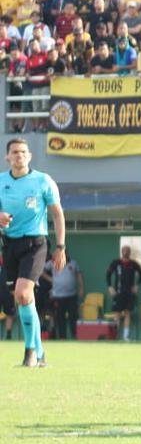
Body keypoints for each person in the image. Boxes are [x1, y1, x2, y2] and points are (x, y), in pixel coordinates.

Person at [0, 138, 66, 366]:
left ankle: (29, 353)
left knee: (23, 294)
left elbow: (57, 214)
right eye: (14, 152)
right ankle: (40, 353)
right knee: (24, 300)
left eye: (23, 152)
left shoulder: (43, 181)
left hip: (36, 244)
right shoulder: (1, 182)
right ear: (7, 156)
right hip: (9, 245)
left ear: (29, 156)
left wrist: (60, 246)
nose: (19, 155)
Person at [106, 243, 141, 342]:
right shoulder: (116, 263)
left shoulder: (133, 264)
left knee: (127, 313)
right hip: (118, 292)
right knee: (117, 314)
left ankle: (126, 336)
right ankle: (115, 336)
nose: (126, 252)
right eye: (124, 250)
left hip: (129, 293)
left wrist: (137, 285)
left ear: (130, 252)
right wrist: (110, 287)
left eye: (127, 250)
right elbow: (108, 274)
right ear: (121, 251)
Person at [48, 251, 83, 340]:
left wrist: (81, 288)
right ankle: (62, 337)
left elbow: (79, 275)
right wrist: (50, 279)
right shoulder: (53, 262)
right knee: (60, 318)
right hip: (58, 296)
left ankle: (75, 336)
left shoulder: (73, 263)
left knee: (73, 316)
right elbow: (41, 270)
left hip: (71, 295)